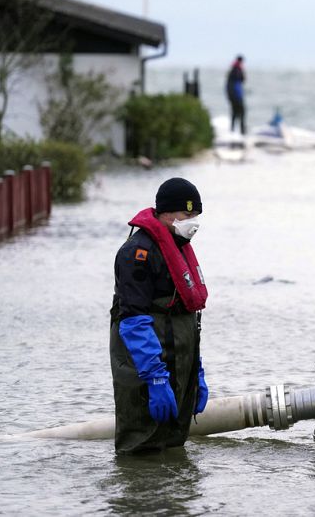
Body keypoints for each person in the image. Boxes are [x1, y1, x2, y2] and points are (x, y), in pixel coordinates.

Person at [109, 177, 209, 454]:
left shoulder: (177, 246)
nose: (193, 222)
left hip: (179, 364)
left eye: (196, 215)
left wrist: (196, 372)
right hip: (148, 368)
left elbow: (187, 317)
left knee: (175, 448)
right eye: (186, 215)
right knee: (142, 444)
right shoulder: (137, 253)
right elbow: (133, 321)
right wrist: (154, 377)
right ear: (165, 212)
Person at [226, 55, 246, 134]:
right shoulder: (237, 70)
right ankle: (241, 130)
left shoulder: (233, 69)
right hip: (236, 95)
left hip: (232, 95)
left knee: (234, 112)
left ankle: (232, 129)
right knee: (242, 112)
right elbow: (242, 80)